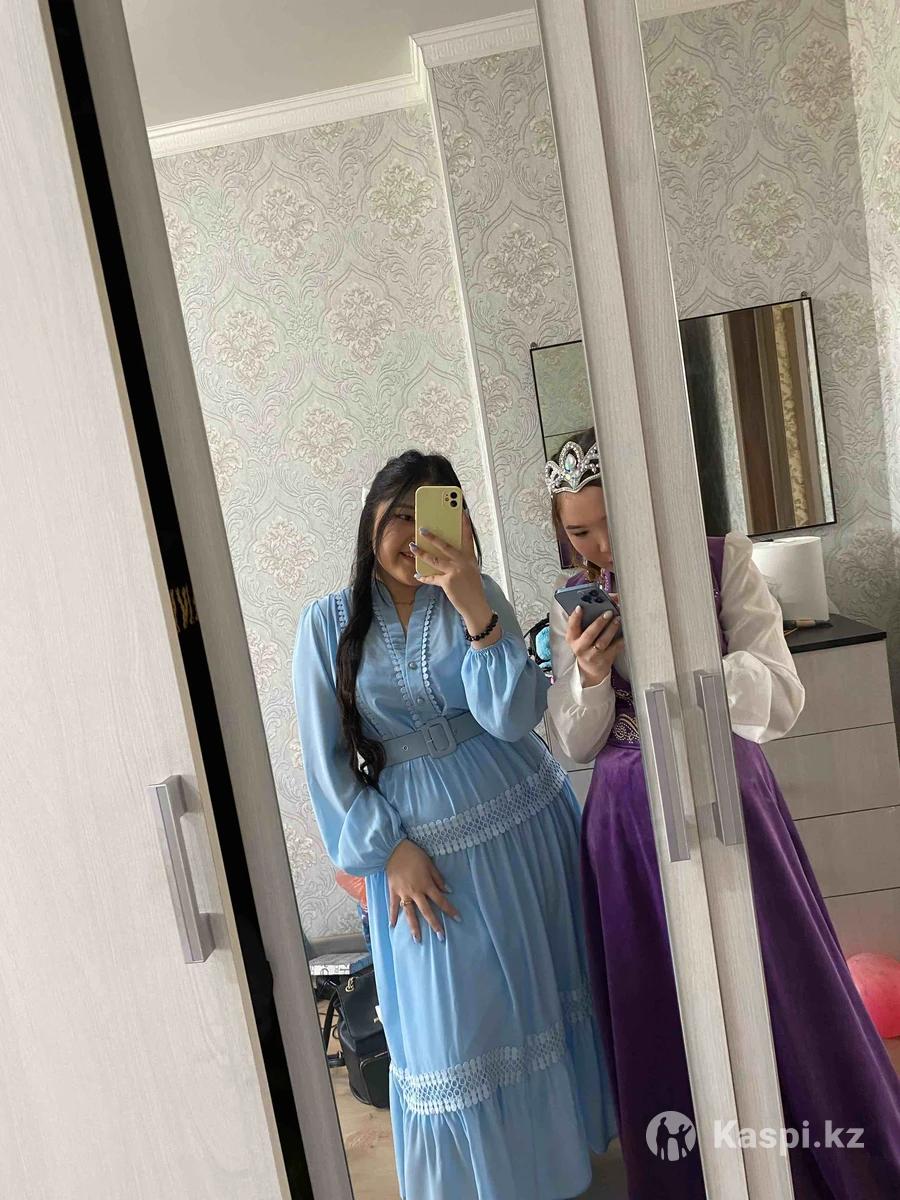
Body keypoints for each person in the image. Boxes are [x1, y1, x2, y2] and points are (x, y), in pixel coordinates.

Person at [545, 431, 900, 1200]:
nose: (600, 546)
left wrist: (678, 658)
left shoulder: (719, 559)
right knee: (657, 1000)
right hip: (626, 826)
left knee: (776, 980)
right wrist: (593, 674)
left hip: (723, 795)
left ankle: (816, 1157)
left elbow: (781, 692)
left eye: (610, 523)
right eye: (580, 532)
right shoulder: (572, 600)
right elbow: (574, 740)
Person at [294, 450, 616, 1200]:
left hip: (523, 825)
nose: (416, 535)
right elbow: (324, 760)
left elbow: (512, 716)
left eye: (435, 515)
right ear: (372, 519)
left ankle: (559, 1174)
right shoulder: (327, 624)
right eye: (401, 516)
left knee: (538, 1001)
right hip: (421, 856)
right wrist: (387, 851)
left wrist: (474, 605)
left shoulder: (475, 592)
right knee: (454, 1035)